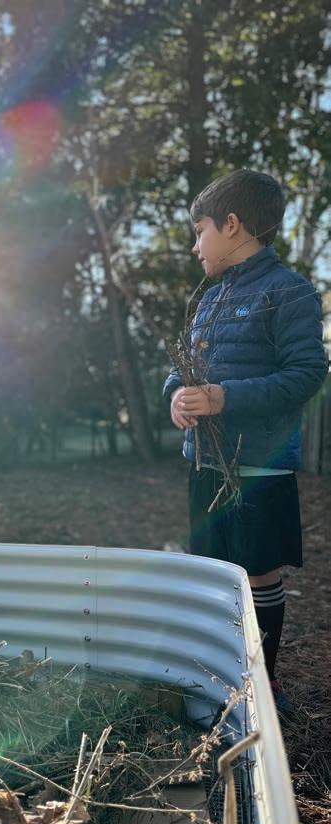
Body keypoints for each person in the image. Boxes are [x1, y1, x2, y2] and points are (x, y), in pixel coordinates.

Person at [163, 169, 328, 712]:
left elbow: (305, 374)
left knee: (257, 571)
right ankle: (219, 677)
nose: (196, 246)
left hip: (258, 465)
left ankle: (263, 683)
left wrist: (224, 397)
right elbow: (182, 370)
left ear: (232, 225)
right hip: (205, 463)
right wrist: (177, 395)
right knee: (212, 569)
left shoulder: (289, 292)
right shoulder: (210, 299)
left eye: (200, 231)